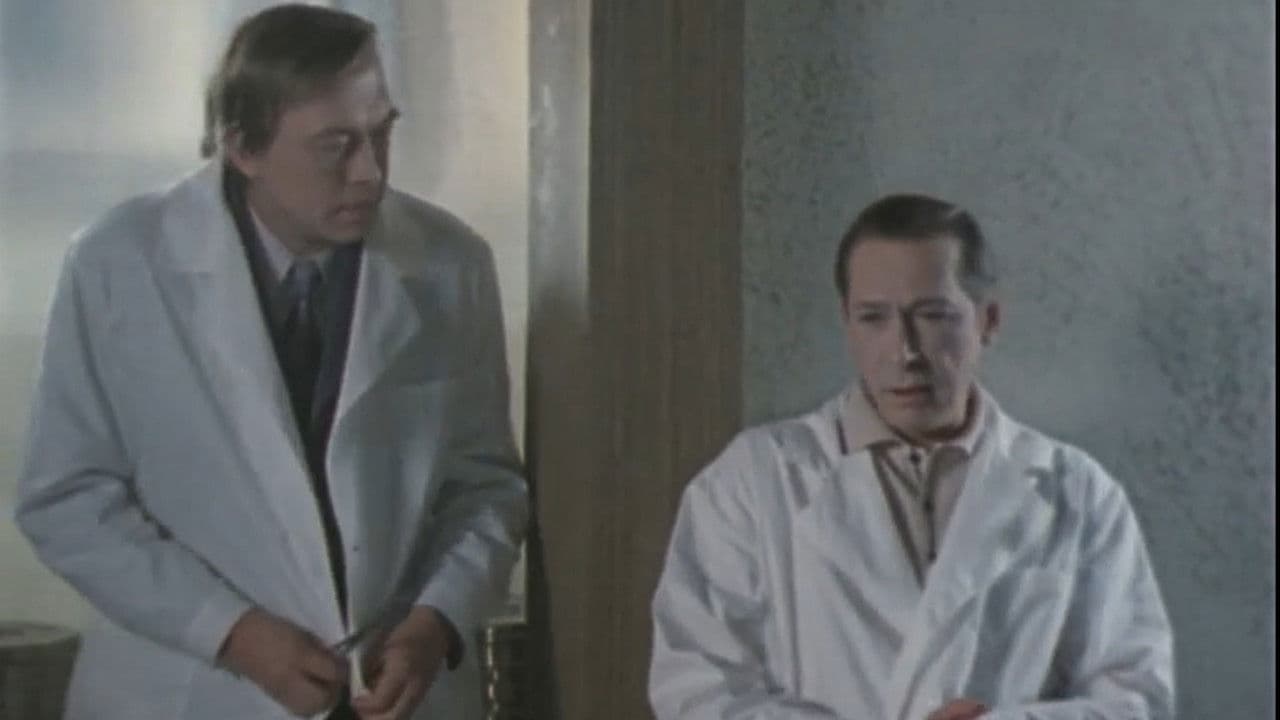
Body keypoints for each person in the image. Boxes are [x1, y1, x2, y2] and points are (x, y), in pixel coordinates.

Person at [15, 5, 528, 719]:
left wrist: (435, 622)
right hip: (190, 690)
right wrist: (232, 633)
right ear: (242, 148)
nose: (370, 173)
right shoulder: (120, 262)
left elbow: (485, 486)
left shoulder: (450, 263)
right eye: (335, 146)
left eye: (382, 135)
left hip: (392, 691)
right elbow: (67, 501)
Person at [648, 194, 1175, 719]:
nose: (905, 352)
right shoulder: (751, 482)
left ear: (988, 321)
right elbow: (696, 689)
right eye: (873, 318)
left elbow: (1136, 696)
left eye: (933, 316)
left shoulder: (1078, 492)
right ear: (846, 321)